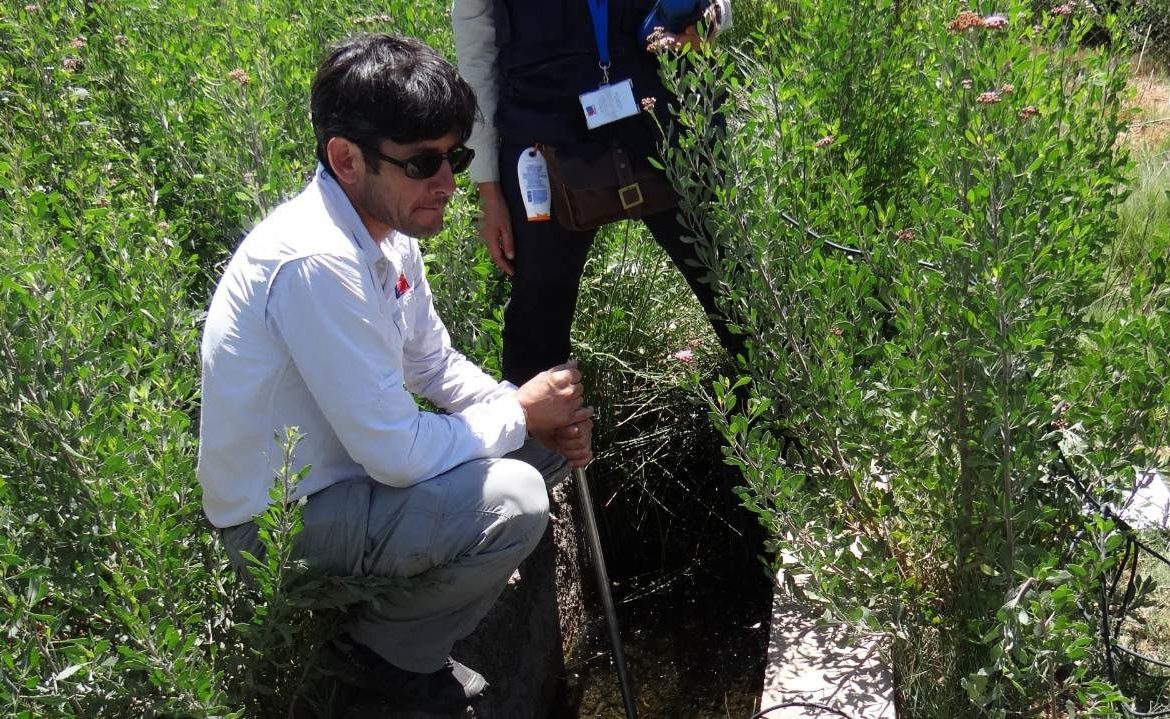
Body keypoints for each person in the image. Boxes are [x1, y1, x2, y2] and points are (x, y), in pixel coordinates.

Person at [196, 33, 593, 713]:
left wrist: (529, 413)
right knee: (517, 499)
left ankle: (409, 604)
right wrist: (518, 411)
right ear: (346, 159)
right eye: (422, 163)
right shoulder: (317, 262)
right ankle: (380, 654)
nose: (448, 183)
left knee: (539, 447)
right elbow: (397, 454)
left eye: (455, 157)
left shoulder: (386, 231)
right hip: (279, 529)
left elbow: (432, 363)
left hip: (350, 484)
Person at [453, 0, 739, 385]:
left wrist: (714, 17)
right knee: (537, 323)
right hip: (543, 137)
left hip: (668, 114)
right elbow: (476, 49)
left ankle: (791, 412)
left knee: (736, 292)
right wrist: (488, 190)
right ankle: (531, 425)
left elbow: (709, 6)